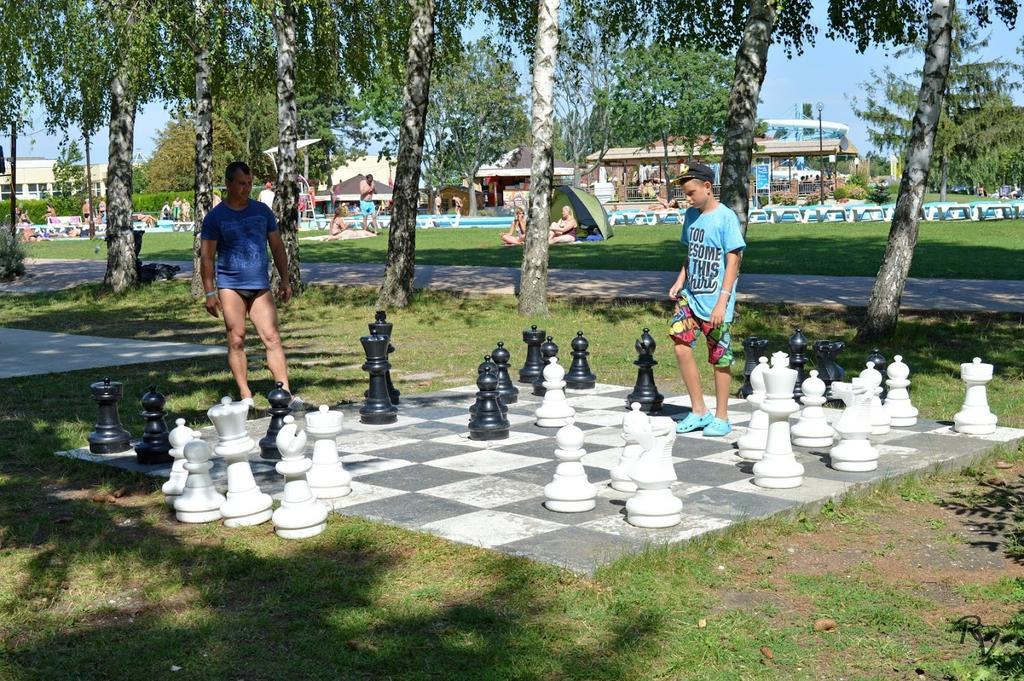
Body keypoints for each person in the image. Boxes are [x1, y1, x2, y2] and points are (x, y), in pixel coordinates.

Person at [200, 160, 296, 409]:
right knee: (237, 338)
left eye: (249, 184)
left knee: (272, 337)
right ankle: (246, 396)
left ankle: (284, 391)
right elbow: (207, 257)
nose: (246, 188)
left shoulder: (262, 212)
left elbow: (277, 246)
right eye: (241, 184)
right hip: (230, 285)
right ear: (229, 183)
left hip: (260, 285)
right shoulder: (215, 217)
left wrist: (285, 279)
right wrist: (210, 292)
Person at [667, 163, 746, 438]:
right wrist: (680, 280)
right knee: (680, 344)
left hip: (716, 300)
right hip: (691, 296)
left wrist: (723, 302)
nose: (687, 199)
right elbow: (691, 253)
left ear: (707, 188)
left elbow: (734, 260)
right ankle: (699, 410)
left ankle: (722, 416)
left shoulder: (725, 218)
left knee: (719, 357)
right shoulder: (691, 216)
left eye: (691, 193)